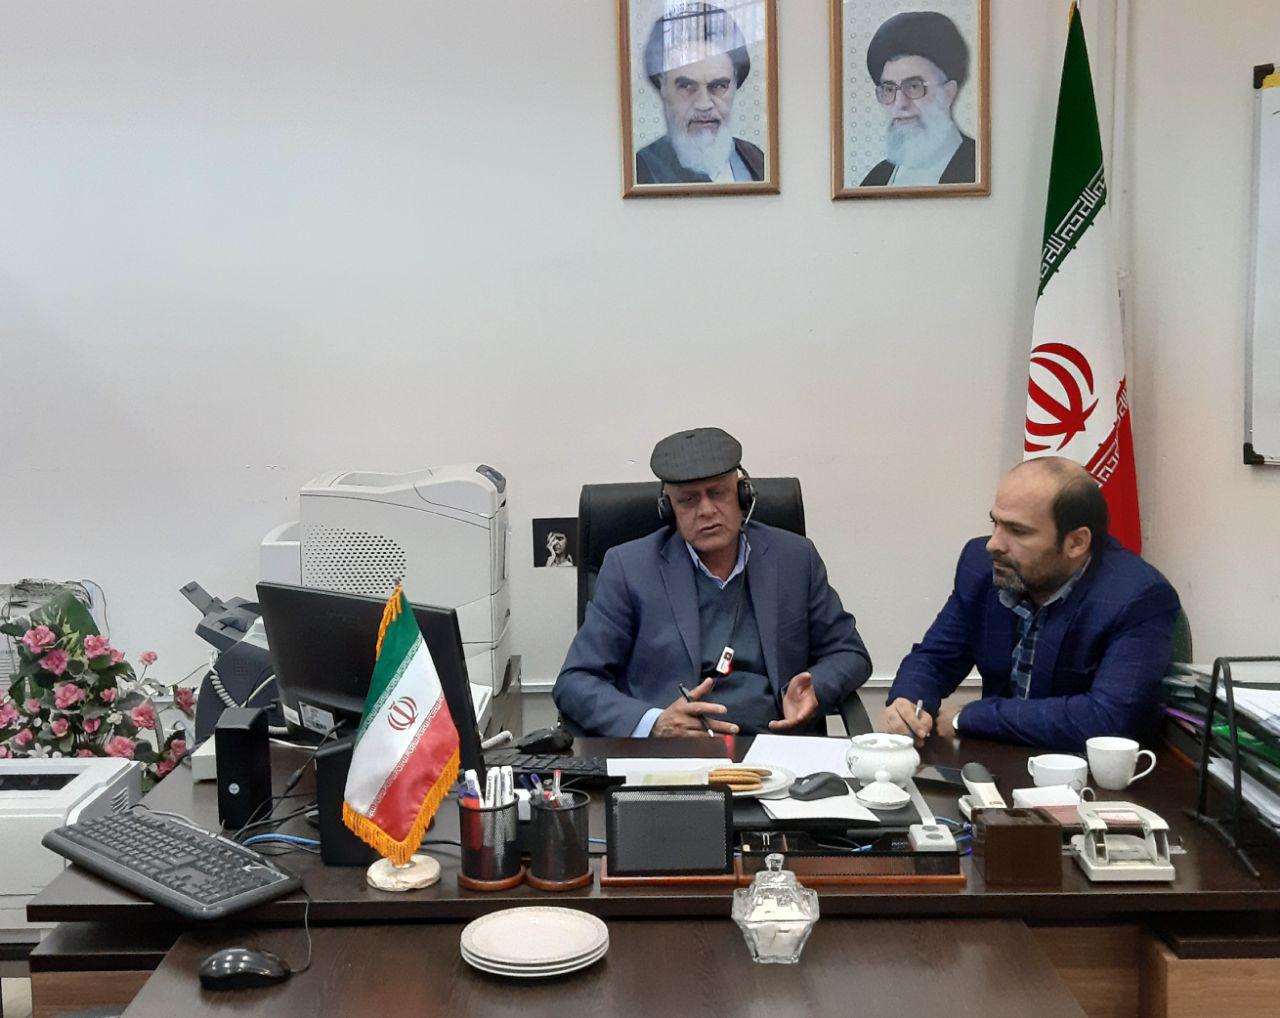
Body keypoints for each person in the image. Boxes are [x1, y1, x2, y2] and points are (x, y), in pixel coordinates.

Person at [554, 427, 871, 736]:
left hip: (778, 745)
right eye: (688, 500)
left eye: (718, 493)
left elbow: (849, 652)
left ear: (743, 494)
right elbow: (575, 681)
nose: (706, 510)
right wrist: (655, 724)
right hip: (674, 753)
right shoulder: (629, 568)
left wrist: (815, 687)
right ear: (668, 508)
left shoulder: (795, 558)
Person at [881, 458, 1180, 750]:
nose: (994, 544)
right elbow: (936, 658)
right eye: (995, 523)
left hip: (1078, 770)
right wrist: (909, 699)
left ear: (1076, 543)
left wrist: (970, 717)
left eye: (1018, 531)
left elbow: (1108, 718)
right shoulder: (982, 567)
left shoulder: (1138, 597)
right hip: (995, 762)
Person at [635, 3, 765, 184]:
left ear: (735, 84)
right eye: (687, 86)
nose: (704, 104)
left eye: (719, 86)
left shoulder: (756, 159)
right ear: (662, 86)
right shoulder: (642, 169)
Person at [860, 11, 976, 187]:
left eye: (914, 86)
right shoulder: (876, 179)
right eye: (889, 89)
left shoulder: (976, 166)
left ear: (948, 93)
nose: (900, 103)